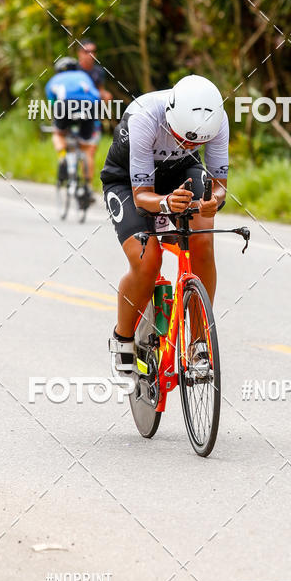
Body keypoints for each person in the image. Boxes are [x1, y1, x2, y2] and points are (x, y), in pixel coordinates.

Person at [100, 74, 229, 378]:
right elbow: (142, 196)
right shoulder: (145, 117)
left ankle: (199, 343)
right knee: (147, 260)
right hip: (128, 182)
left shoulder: (217, 119)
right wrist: (167, 203)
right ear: (170, 118)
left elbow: (220, 186)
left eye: (196, 142)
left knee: (202, 241)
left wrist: (213, 201)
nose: (188, 145)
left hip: (181, 173)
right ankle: (122, 337)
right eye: (183, 138)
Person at [45, 57, 102, 194]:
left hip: (64, 105)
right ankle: (88, 187)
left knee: (58, 133)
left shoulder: (55, 80)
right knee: (86, 148)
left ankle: (63, 157)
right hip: (89, 106)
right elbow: (96, 96)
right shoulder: (84, 76)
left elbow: (52, 102)